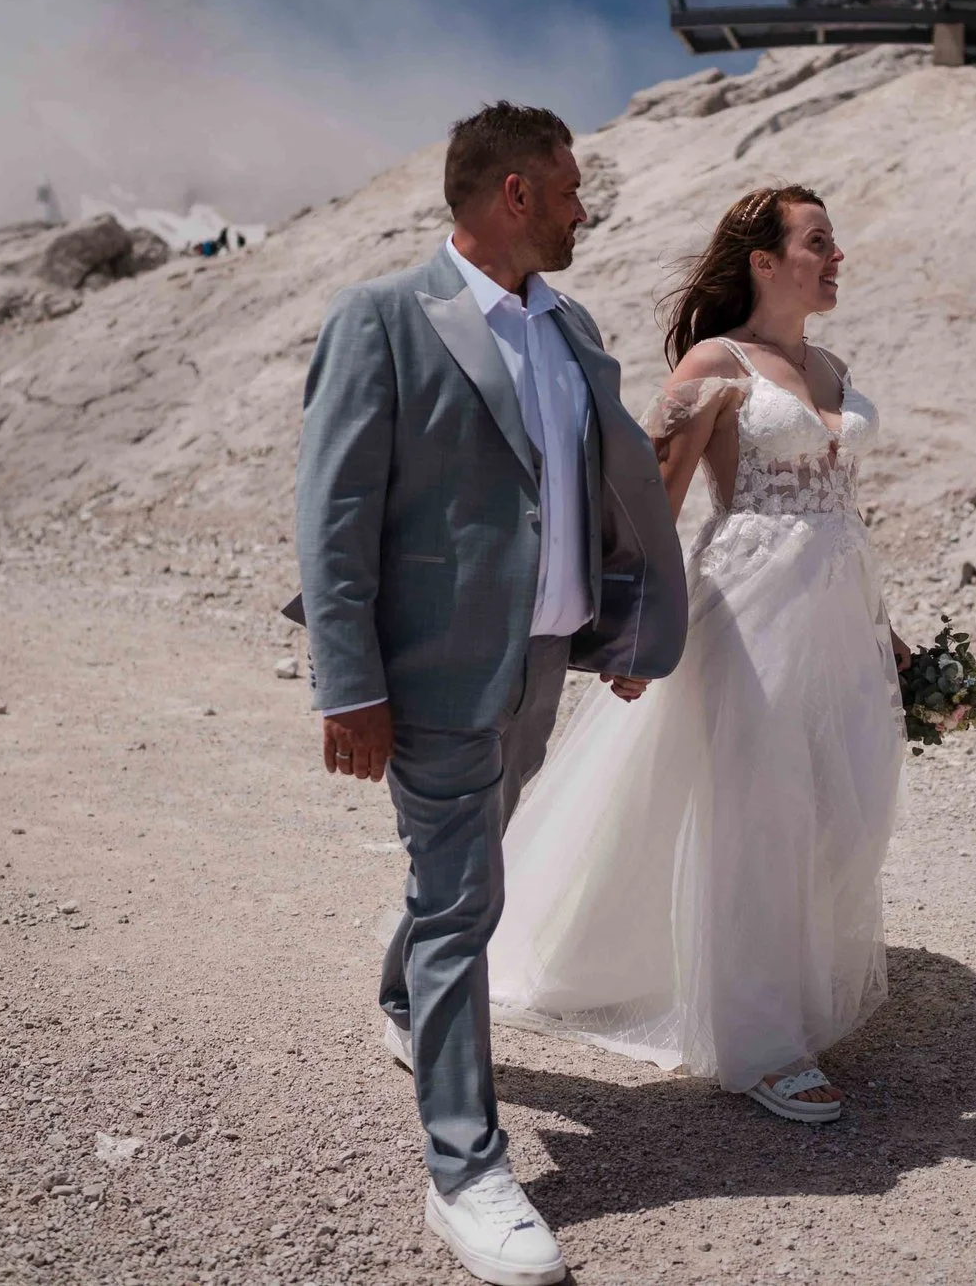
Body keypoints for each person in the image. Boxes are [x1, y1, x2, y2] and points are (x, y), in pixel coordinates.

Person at [295, 100, 687, 1286]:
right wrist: (347, 683)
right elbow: (337, 509)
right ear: (513, 192)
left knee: (465, 867)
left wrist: (622, 621)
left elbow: (595, 493)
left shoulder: (570, 328)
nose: (584, 207)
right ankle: (465, 1171)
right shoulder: (382, 317)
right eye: (570, 187)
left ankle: (401, 997)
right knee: (467, 900)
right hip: (429, 673)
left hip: (540, 664)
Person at [491, 186, 908, 1127]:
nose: (837, 256)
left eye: (834, 242)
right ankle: (761, 1043)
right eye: (818, 242)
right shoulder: (713, 364)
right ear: (764, 260)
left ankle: (771, 982)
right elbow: (653, 502)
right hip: (752, 615)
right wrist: (631, 627)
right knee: (764, 814)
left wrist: (891, 632)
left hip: (841, 619)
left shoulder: (833, 364)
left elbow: (844, 510)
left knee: (844, 808)